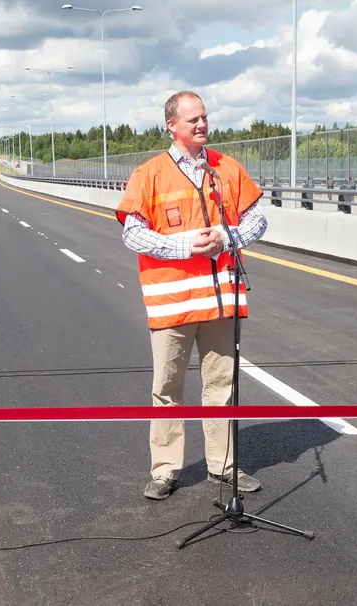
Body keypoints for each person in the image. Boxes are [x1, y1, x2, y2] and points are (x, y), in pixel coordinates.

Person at [115, 90, 269, 501]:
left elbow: (258, 219)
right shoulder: (149, 174)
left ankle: (224, 465)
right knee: (168, 388)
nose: (201, 125)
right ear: (171, 125)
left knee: (221, 384)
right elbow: (132, 232)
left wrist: (224, 236)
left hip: (221, 300)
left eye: (204, 117)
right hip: (174, 303)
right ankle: (165, 470)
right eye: (192, 120)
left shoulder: (226, 168)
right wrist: (184, 246)